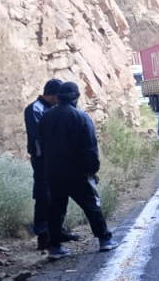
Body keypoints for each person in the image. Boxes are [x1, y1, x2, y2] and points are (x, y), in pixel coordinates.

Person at [39, 82, 118, 259]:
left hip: (53, 172)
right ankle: (104, 239)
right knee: (91, 205)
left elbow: (42, 144)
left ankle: (55, 247)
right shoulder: (80, 117)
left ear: (58, 97)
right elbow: (89, 147)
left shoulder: (46, 117)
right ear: (76, 97)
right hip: (77, 172)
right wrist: (92, 169)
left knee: (56, 209)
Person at [25, 79, 80, 250]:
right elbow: (40, 135)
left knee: (58, 194)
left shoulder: (52, 109)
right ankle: (43, 235)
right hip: (42, 159)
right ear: (54, 95)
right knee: (43, 195)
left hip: (55, 158)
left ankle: (57, 230)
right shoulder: (34, 109)